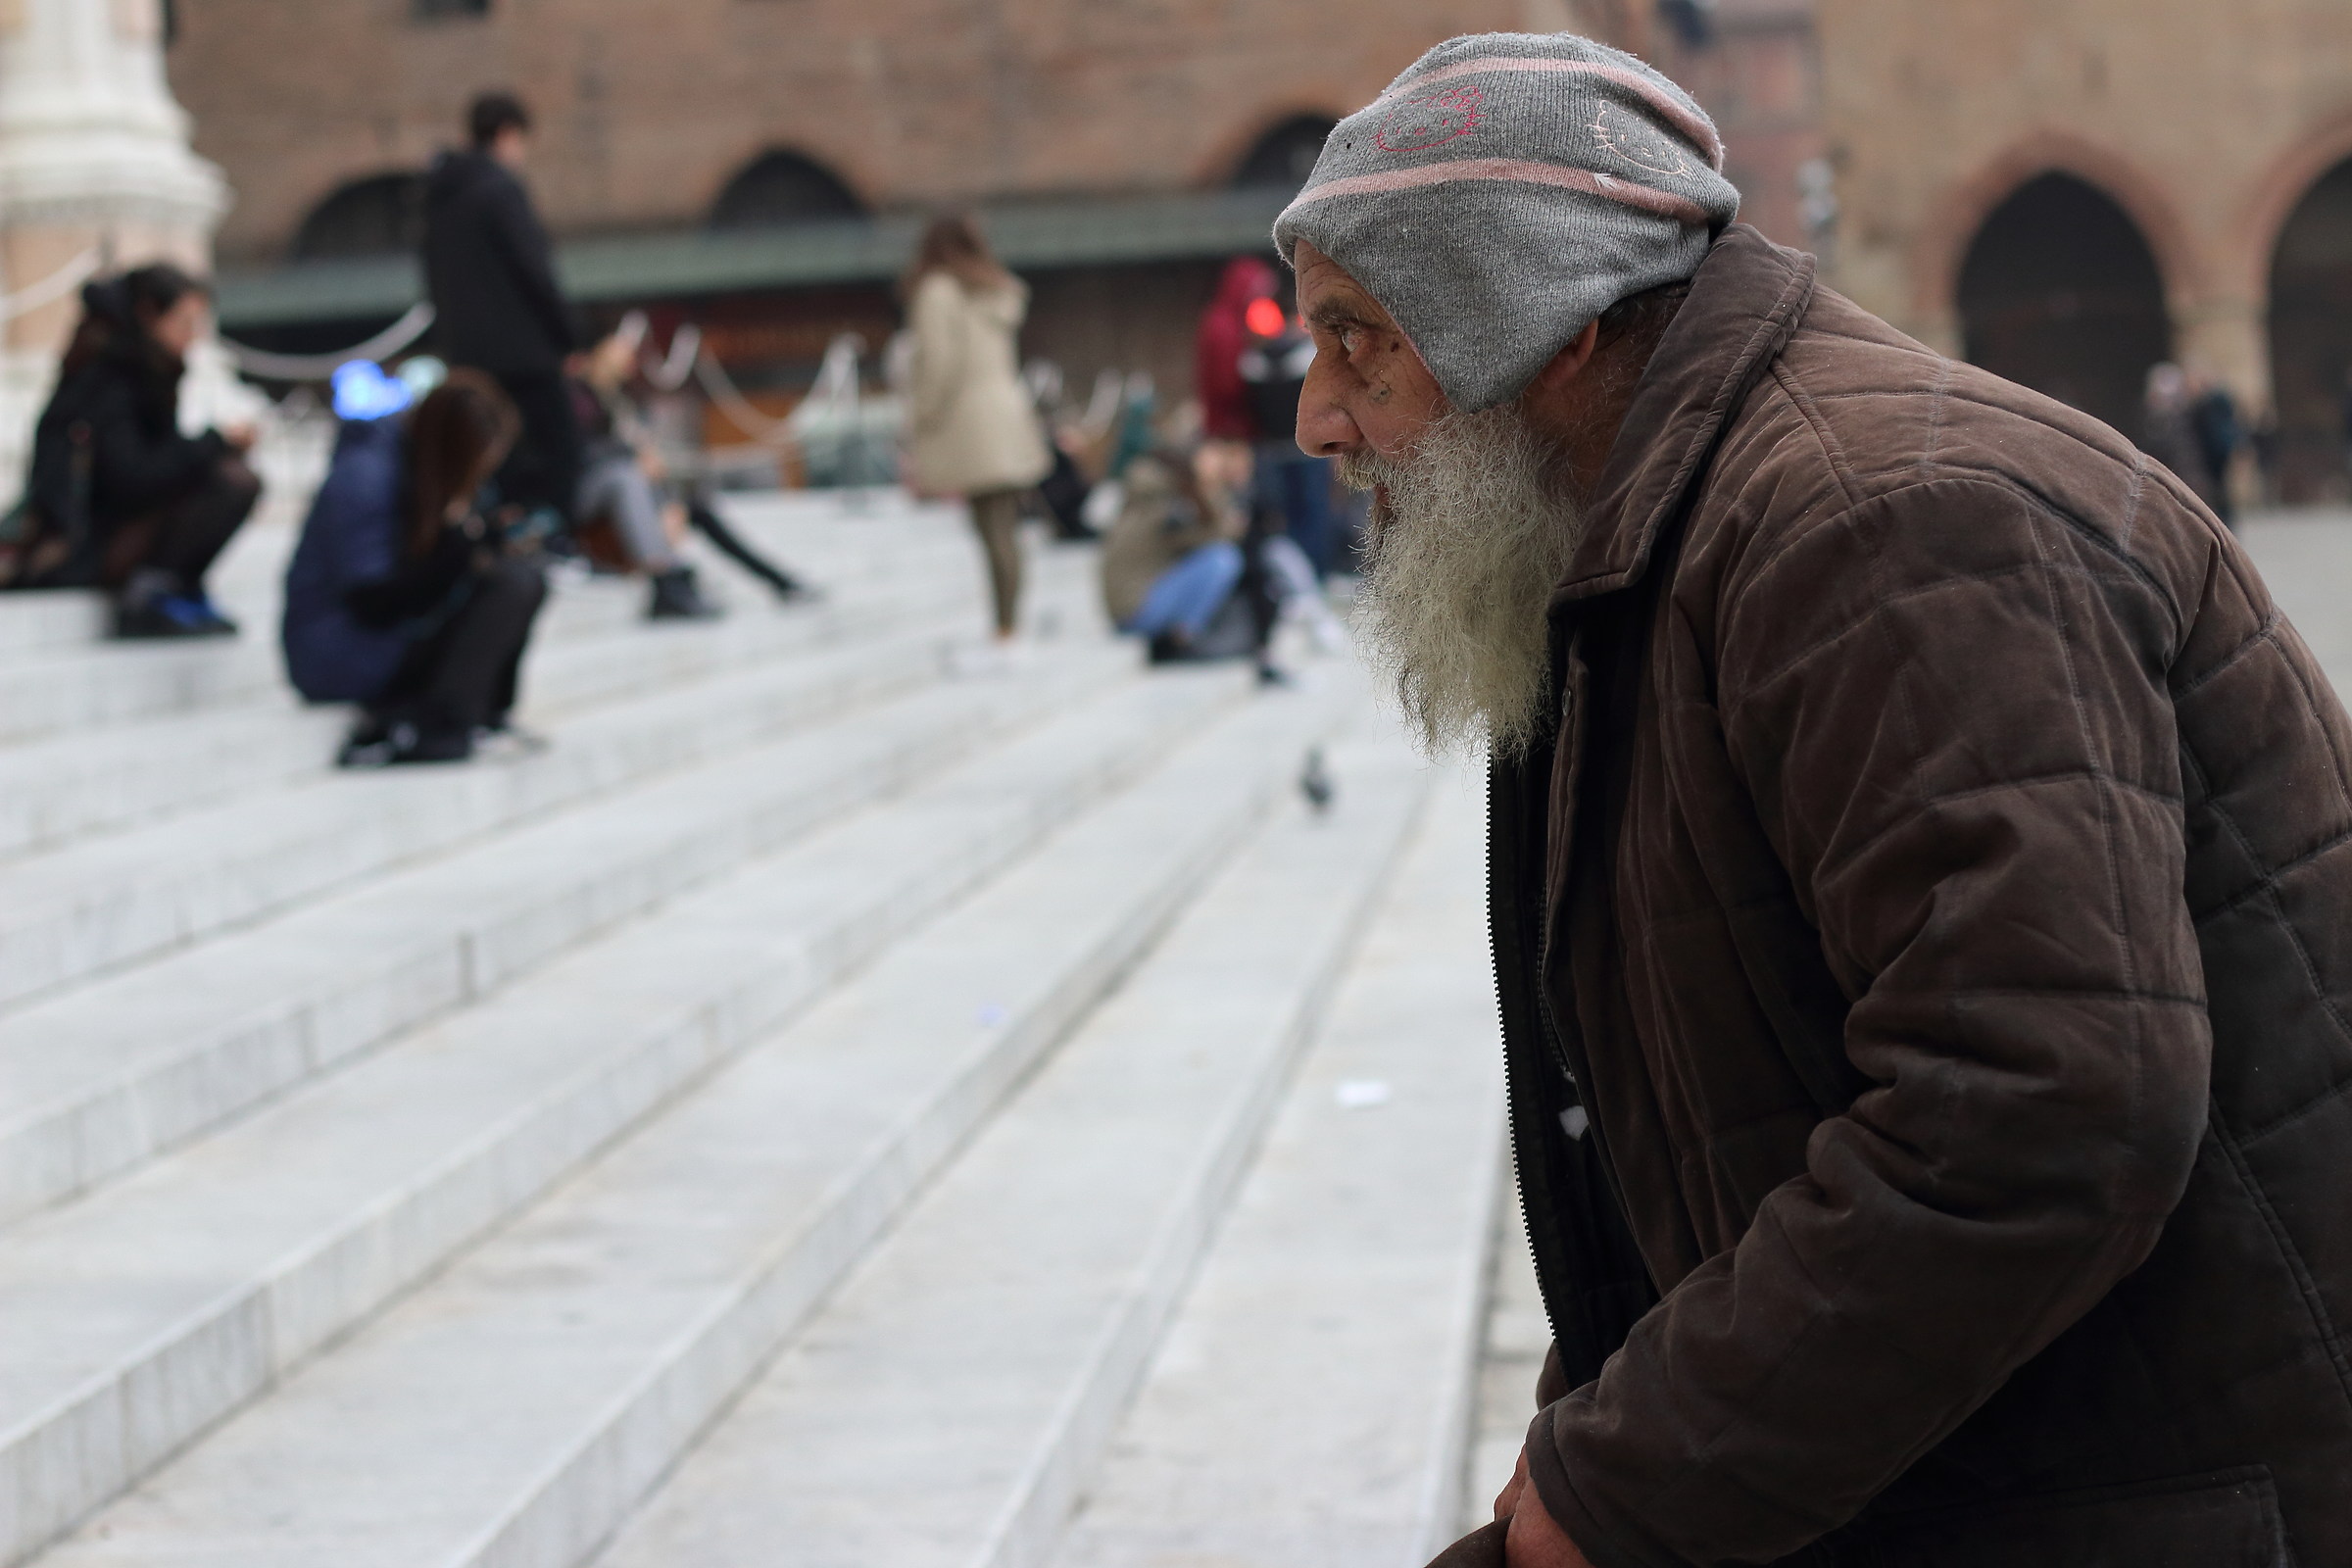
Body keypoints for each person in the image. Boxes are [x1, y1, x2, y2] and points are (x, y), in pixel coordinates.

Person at [1278, 32, 2350, 1568]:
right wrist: (1612, 1438)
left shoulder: (1890, 525)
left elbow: (2040, 1111)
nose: (1319, 418)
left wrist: (1622, 1492)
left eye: (1359, 342)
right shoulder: (1675, 534)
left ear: (1548, 326)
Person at [281, 369, 549, 766]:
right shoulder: (366, 478)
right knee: (507, 585)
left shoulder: (413, 468)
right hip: (337, 653)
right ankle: (441, 726)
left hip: (380, 640)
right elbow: (371, 601)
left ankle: (482, 716)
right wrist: (460, 558)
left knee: (522, 576)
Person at [10, 265, 260, 635]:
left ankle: (175, 588)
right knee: (231, 482)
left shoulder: (148, 369)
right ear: (149, 314)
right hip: (80, 546)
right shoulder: (111, 378)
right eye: (185, 322)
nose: (194, 337)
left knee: (229, 474)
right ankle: (153, 591)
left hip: (109, 529)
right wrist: (214, 443)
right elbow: (131, 477)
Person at [421, 91, 588, 536]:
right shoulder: (499, 189)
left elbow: (432, 280)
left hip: (468, 353)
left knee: (497, 451)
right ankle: (554, 539)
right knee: (561, 447)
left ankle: (507, 532)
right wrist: (569, 338)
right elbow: (534, 270)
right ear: (507, 134)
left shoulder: (440, 196)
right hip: (525, 353)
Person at [902, 214, 1052, 646]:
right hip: (1005, 413)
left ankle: (1005, 629)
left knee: (991, 529)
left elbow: (938, 364)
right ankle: (1008, 623)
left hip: (969, 420)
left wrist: (922, 416)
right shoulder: (995, 290)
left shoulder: (938, 292)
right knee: (1003, 525)